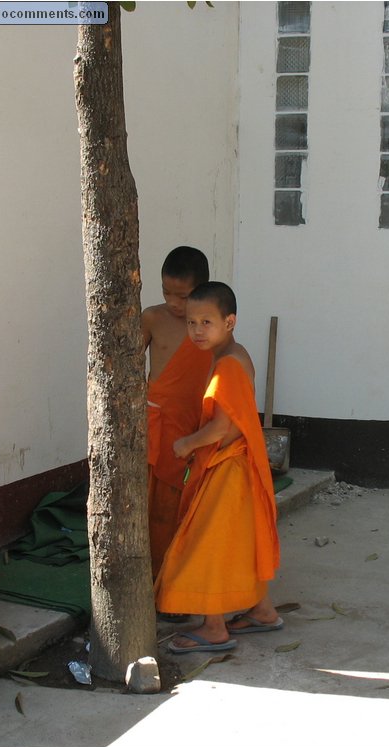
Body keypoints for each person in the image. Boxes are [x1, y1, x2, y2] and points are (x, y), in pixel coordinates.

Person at [154, 281, 283, 653]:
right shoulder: (235, 354)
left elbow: (222, 427)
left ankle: (213, 629)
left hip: (228, 469)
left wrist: (184, 445)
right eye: (192, 323)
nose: (196, 330)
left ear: (230, 321)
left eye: (206, 322)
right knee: (238, 544)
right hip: (237, 466)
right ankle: (262, 610)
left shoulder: (227, 365)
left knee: (205, 545)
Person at [141, 246, 212, 597]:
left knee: (183, 509)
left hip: (192, 426)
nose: (173, 303)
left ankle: (177, 583)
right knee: (153, 508)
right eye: (167, 292)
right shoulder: (152, 318)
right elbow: (127, 365)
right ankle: (151, 584)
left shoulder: (207, 328)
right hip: (156, 423)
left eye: (182, 296)